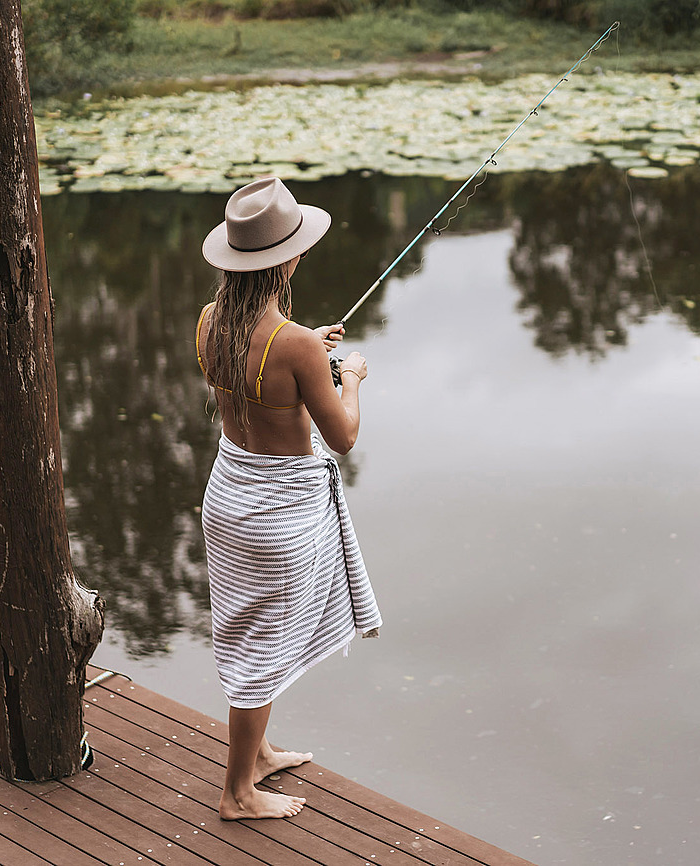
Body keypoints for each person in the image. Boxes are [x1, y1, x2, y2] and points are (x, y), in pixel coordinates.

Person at [196, 177, 382, 820]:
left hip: (227, 498)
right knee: (262, 646)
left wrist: (312, 354)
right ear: (288, 258)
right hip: (278, 512)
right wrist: (348, 377)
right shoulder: (297, 344)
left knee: (251, 630)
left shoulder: (210, 321)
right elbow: (344, 436)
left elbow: (258, 379)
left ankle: (261, 753)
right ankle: (238, 793)